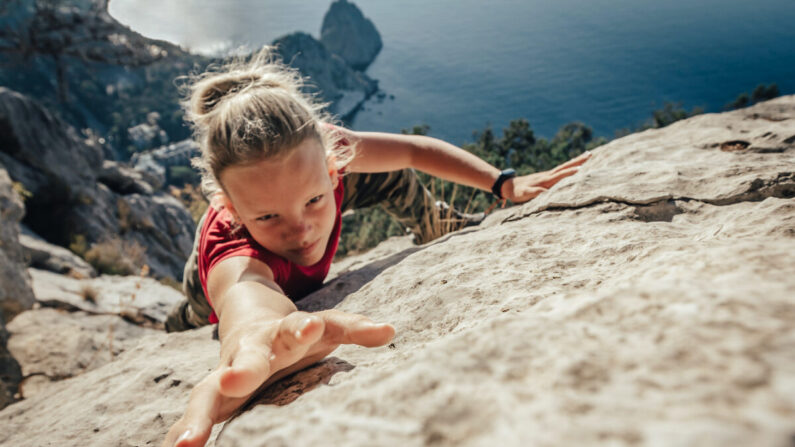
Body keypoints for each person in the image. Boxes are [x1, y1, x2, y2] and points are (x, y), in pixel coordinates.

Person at [161, 48, 591, 447]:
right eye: (269, 217)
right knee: (198, 314)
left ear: (332, 169)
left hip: (299, 189)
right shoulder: (233, 251)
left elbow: (412, 151)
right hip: (209, 286)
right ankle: (174, 322)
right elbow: (244, 299)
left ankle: (439, 224)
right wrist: (254, 336)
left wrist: (504, 183)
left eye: (313, 200)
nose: (302, 230)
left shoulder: (312, 150)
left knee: (392, 175)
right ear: (231, 207)